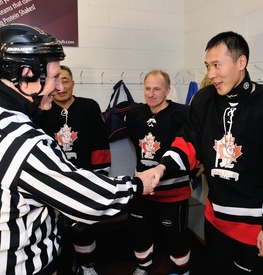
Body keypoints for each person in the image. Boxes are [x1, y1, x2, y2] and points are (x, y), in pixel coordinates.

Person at [0, 23, 156, 275]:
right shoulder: (24, 141)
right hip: (19, 265)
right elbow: (87, 200)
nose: (58, 88)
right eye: (54, 77)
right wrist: (138, 184)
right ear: (25, 73)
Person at [141, 31, 263, 275]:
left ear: (241, 63)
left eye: (217, 65)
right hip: (215, 218)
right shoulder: (204, 99)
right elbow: (189, 142)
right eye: (208, 66)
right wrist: (161, 168)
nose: (211, 74)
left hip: (253, 226)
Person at [33, 65, 111, 275]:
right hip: (54, 182)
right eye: (57, 81)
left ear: (73, 83)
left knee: (84, 229)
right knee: (53, 230)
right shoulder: (42, 110)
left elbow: (100, 142)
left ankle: (87, 266)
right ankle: (60, 266)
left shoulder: (89, 107)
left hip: (84, 179)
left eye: (66, 80)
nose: (61, 87)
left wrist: (101, 176)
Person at [125, 70, 191, 275]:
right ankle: (143, 266)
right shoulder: (135, 115)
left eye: (157, 89)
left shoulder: (183, 114)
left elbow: (189, 150)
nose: (150, 94)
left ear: (168, 91)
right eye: (147, 88)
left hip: (173, 191)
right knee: (139, 232)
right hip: (143, 190)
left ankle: (182, 271)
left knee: (175, 236)